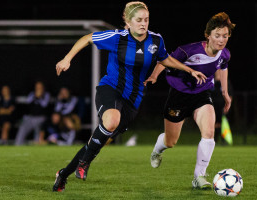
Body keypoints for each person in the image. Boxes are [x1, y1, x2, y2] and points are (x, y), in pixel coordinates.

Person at [52, 1, 206, 192]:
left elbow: (165, 58)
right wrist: (67, 58)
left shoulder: (156, 40)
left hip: (133, 100)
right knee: (111, 121)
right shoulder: (117, 37)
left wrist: (189, 70)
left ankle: (63, 174)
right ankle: (85, 162)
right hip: (110, 88)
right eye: (139, 20)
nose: (143, 23)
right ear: (129, 22)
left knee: (99, 141)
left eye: (146, 19)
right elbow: (87, 38)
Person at [146, 12, 235, 189]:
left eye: (225, 36)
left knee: (209, 133)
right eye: (217, 35)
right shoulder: (189, 50)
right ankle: (157, 150)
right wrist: (154, 76)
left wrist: (225, 92)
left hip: (202, 94)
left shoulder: (225, 54)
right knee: (170, 142)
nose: (222, 39)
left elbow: (223, 68)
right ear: (208, 35)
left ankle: (199, 177)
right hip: (178, 95)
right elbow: (164, 60)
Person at [15, 81, 50, 145]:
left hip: (40, 118)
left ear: (43, 88)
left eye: (40, 87)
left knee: (38, 132)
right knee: (22, 130)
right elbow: (28, 102)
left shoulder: (46, 94)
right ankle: (18, 144)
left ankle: (37, 146)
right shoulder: (32, 94)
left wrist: (40, 97)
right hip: (30, 117)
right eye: (37, 87)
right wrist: (35, 96)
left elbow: (44, 105)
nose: (38, 88)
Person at [211, 70, 233, 144]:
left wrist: (228, 105)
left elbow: (230, 94)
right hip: (213, 106)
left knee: (223, 122)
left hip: (223, 106)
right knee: (214, 123)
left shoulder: (226, 82)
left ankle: (224, 140)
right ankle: (215, 139)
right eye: (217, 70)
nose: (218, 71)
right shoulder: (211, 81)